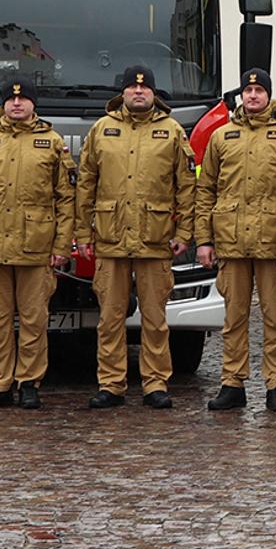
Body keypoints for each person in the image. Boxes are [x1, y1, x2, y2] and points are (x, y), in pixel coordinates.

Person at [77, 65, 196, 410]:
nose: (138, 92)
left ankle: (155, 383)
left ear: (154, 93)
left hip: (155, 239)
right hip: (110, 238)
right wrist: (82, 233)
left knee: (155, 319)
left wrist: (184, 231)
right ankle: (111, 384)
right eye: (132, 87)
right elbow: (85, 185)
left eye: (144, 88)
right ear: (123, 93)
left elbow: (186, 187)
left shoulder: (171, 131)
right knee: (110, 318)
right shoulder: (102, 129)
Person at [0, 77, 75, 410]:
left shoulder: (52, 143)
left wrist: (62, 246)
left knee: (35, 321)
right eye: (11, 99)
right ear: (3, 104)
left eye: (23, 99)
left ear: (34, 104)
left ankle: (29, 383)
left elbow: (66, 199)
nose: (16, 104)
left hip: (36, 247)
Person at [195, 68, 276, 413]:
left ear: (269, 95)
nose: (253, 96)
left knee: (275, 318)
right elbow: (206, 190)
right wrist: (204, 240)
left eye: (259, 90)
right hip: (231, 242)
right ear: (241, 95)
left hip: (273, 240)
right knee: (234, 318)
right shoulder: (221, 137)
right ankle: (232, 383)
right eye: (248, 90)